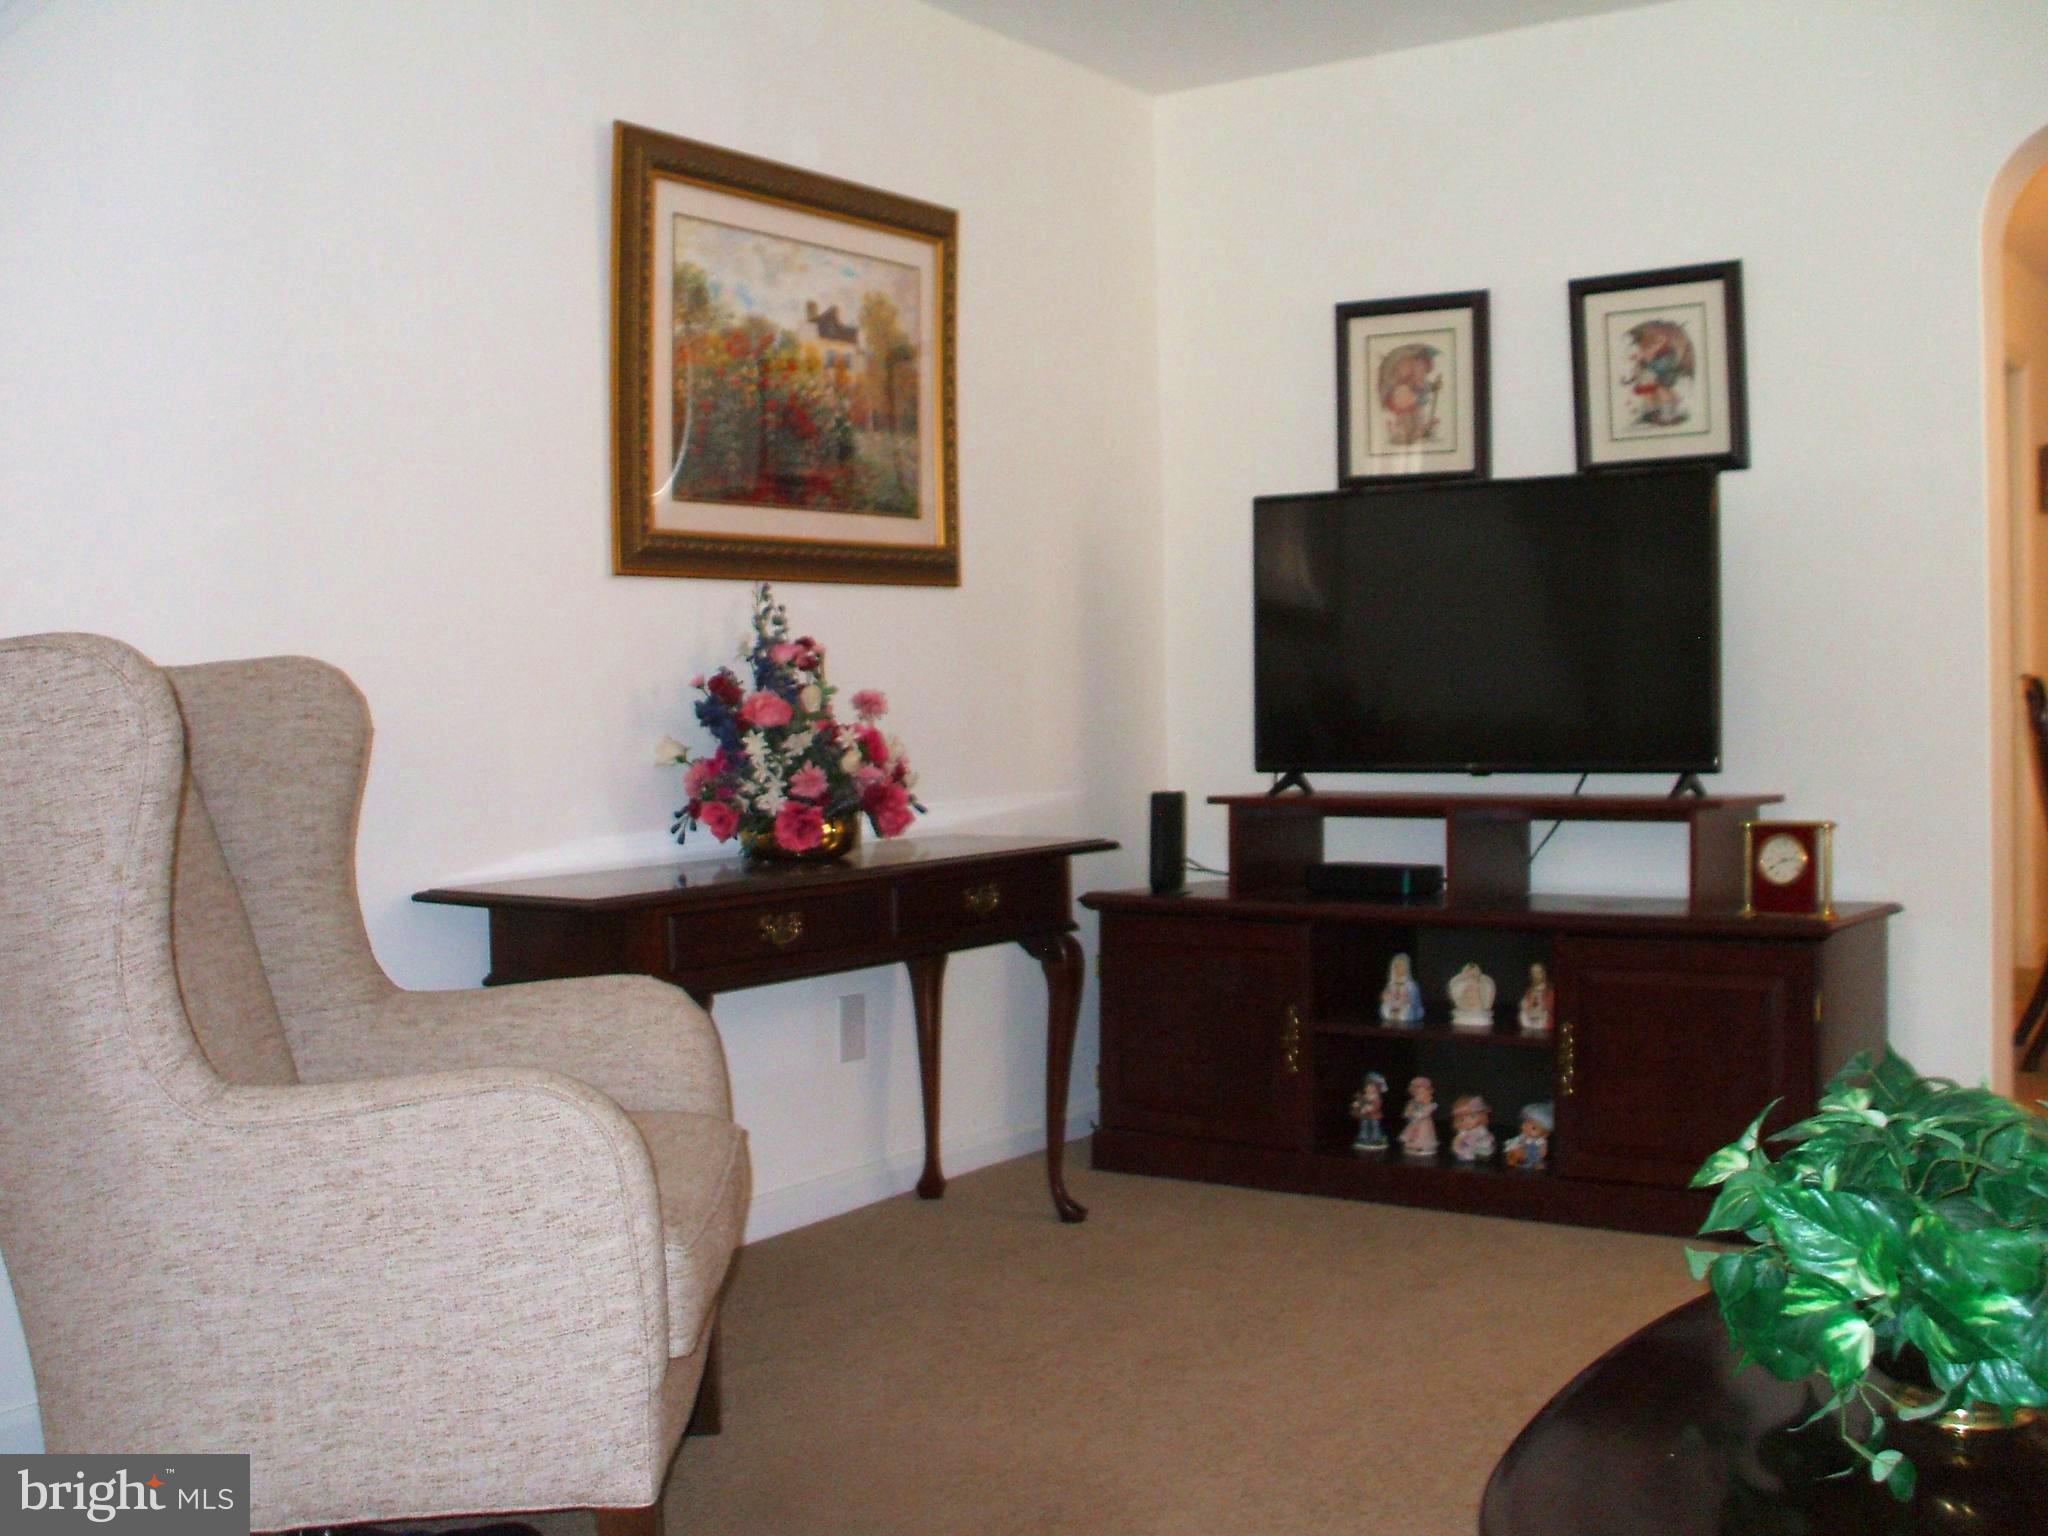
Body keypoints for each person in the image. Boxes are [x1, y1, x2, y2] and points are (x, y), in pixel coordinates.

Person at [1504, 1102, 1554, 1172]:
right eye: (1525, 1124)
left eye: (1533, 1128)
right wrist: (1514, 1148)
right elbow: (1515, 1142)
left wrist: (1541, 1153)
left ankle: (1535, 1164)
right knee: (1515, 1152)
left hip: (1534, 1156)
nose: (1527, 1129)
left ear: (1545, 1134)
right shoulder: (1523, 1137)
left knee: (1537, 1162)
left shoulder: (1540, 1141)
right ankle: (1515, 1161)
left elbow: (1542, 1152)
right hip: (1523, 1153)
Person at [1399, 1076, 1439, 1158]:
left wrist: (1419, 1114)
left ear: (1428, 1093)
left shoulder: (1430, 1105)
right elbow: (1407, 1112)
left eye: (1423, 1093)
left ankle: (1423, 1145)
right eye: (1417, 1094)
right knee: (1412, 1134)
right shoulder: (1412, 1103)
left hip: (1424, 1123)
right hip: (1414, 1122)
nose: (1420, 1096)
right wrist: (1409, 1113)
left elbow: (1426, 1112)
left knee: (1423, 1134)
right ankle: (1413, 1144)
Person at [1447, 962, 1495, 1029]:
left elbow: (1486, 996)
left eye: (1473, 973)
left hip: (1478, 1006)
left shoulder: (1483, 983)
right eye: (1469, 972)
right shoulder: (1461, 984)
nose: (1471, 975)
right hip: (1465, 1005)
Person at [1349, 1071, 1389, 1152]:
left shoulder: (1376, 1098)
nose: (1369, 1089)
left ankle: (1376, 1138)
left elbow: (1376, 1106)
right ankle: (1363, 1137)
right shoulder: (1364, 1096)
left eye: (1372, 1087)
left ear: (1377, 1089)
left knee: (1375, 1126)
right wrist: (1356, 1104)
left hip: (1374, 1116)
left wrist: (1370, 1108)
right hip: (1364, 1116)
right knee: (1364, 1125)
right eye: (1368, 1086)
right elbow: (1360, 1102)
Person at [1380, 953, 1424, 1025]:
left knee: (1407, 1012)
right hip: (1393, 1005)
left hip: (1405, 1006)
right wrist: (1387, 997)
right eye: (1396, 966)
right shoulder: (1391, 984)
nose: (1398, 969)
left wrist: (1406, 999)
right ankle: (1394, 1015)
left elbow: (1413, 1001)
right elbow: (1386, 996)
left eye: (1400, 966)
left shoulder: (1411, 985)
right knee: (1384, 1008)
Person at [1449, 1094, 1495, 1163]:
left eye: (1472, 1116)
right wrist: (1457, 1146)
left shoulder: (1481, 1129)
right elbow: (1457, 1141)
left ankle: (1481, 1155)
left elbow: (1485, 1135)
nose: (1468, 1121)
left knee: (1485, 1146)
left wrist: (1486, 1139)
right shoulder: (1463, 1132)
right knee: (1466, 1150)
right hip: (1467, 1147)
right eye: (1462, 1119)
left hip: (1480, 1146)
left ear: (1481, 1116)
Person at [1518, 962, 1555, 1035]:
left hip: (1544, 1026)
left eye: (1538, 972)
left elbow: (1550, 1007)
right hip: (1529, 1024)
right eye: (1533, 973)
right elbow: (1526, 1006)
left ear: (1544, 973)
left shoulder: (1550, 990)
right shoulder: (1529, 991)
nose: (1536, 975)